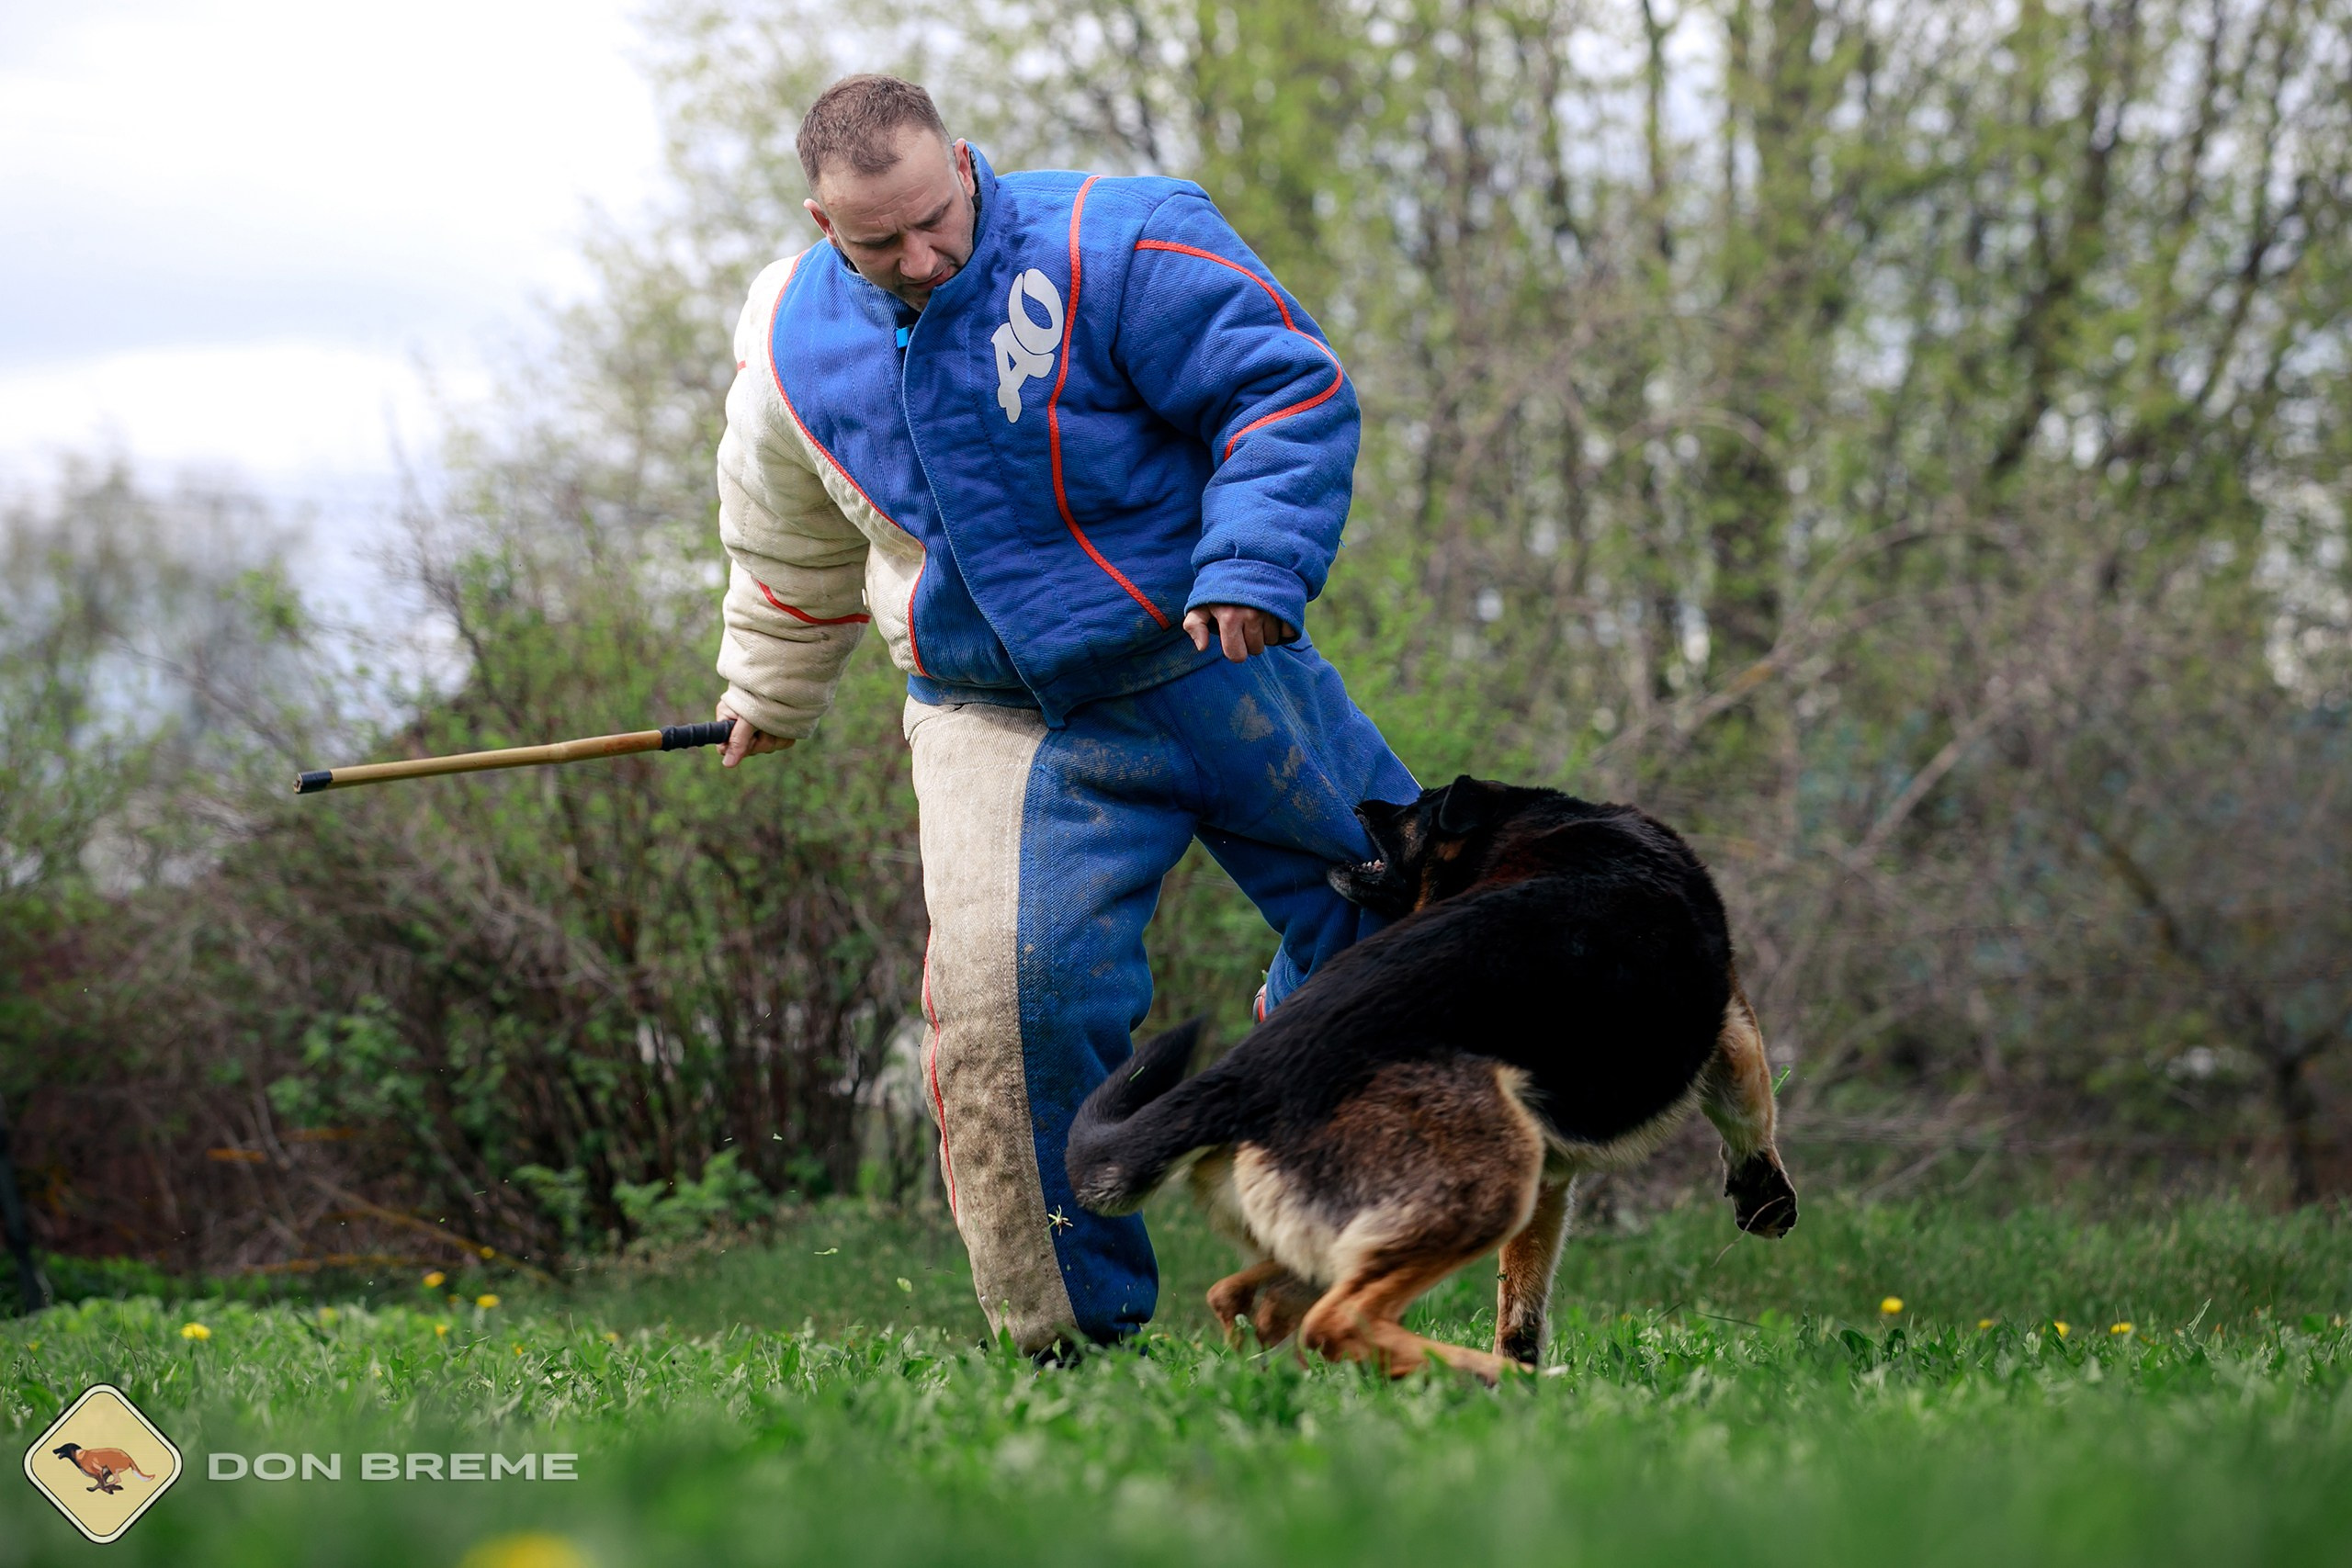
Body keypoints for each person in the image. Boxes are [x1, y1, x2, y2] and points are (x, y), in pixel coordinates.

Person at [710, 73, 1416, 1355]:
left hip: (1208, 650)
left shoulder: (1123, 239)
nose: (922, 258)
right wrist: (767, 690)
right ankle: (1066, 1347)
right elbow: (787, 543)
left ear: (963, 163)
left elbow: (1282, 389)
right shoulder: (791, 351)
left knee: (1404, 911)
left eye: (937, 218)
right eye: (880, 241)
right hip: (998, 716)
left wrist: (1252, 563)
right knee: (1005, 1013)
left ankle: (1314, 1172)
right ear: (822, 223)